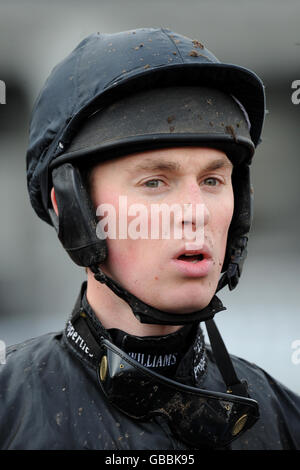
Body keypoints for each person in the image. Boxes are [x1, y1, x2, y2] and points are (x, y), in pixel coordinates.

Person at [0, 27, 299, 451]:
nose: (195, 211)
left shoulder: (286, 422)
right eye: (156, 182)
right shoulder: (9, 412)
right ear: (73, 211)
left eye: (213, 180)